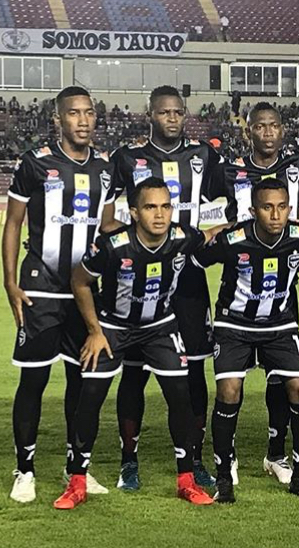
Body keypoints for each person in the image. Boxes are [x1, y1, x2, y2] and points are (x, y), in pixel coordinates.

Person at [54, 179, 224, 509]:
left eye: (166, 206)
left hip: (160, 328)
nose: (160, 215)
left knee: (181, 395)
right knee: (90, 396)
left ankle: (186, 481)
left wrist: (244, 223)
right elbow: (79, 280)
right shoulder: (113, 245)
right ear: (134, 213)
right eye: (150, 207)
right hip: (113, 328)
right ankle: (76, 483)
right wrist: (94, 331)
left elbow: (209, 235)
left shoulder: (181, 237)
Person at [106, 85, 223, 490]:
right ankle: (128, 461)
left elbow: (233, 201)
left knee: (194, 371)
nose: (172, 118)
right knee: (134, 373)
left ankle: (195, 458)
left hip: (188, 278)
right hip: (139, 278)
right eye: (164, 112)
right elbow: (105, 215)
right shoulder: (128, 158)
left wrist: (207, 235)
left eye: (178, 112)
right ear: (150, 115)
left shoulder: (203, 155)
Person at [3, 86, 115, 503]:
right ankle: (25, 470)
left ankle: (77, 469)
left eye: (89, 113)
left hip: (85, 291)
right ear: (58, 119)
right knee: (33, 379)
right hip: (40, 287)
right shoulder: (35, 163)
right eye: (74, 113)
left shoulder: (105, 168)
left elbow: (107, 228)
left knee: (81, 381)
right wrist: (9, 281)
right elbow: (13, 223)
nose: (83, 120)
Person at [193, 179, 299, 503]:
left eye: (281, 207)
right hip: (233, 324)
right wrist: (209, 233)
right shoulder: (234, 239)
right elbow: (197, 259)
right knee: (229, 390)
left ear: (289, 209)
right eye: (267, 207)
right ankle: (224, 477)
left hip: (280, 324)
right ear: (253, 211)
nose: (275, 215)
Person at [205, 101, 299, 485]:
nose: (267, 132)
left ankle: (278, 455)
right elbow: (195, 196)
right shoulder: (228, 170)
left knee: (285, 382)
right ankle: (226, 461)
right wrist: (215, 230)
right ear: (247, 130)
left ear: (283, 129)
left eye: (274, 126)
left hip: (282, 293)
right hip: (238, 285)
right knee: (230, 387)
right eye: (259, 126)